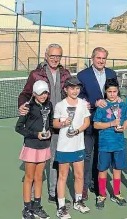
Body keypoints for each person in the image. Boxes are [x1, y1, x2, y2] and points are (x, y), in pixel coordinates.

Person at [18, 44, 71, 206]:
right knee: (38, 162)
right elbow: (25, 94)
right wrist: (22, 105)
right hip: (40, 124)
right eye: (52, 56)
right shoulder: (36, 75)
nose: (55, 59)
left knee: (56, 158)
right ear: (46, 56)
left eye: (58, 56)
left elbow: (73, 93)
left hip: (58, 122)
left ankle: (53, 192)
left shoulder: (66, 74)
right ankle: (33, 198)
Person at [77, 47, 119, 200]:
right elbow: (78, 96)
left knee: (101, 155)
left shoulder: (111, 74)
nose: (101, 61)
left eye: (103, 58)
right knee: (87, 155)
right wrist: (91, 102)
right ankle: (83, 187)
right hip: (89, 122)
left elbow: (115, 93)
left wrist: (118, 98)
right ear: (92, 58)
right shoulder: (82, 75)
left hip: (106, 124)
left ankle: (96, 182)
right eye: (98, 58)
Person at [53, 76, 91, 218]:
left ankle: (78, 201)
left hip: (78, 145)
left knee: (79, 175)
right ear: (65, 89)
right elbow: (55, 124)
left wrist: (78, 130)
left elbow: (87, 122)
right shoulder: (60, 105)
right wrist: (63, 124)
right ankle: (61, 206)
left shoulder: (83, 103)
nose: (75, 91)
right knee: (62, 176)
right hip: (64, 146)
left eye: (77, 88)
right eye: (72, 88)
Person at [15, 80, 52, 219]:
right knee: (29, 178)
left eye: (46, 93)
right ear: (35, 93)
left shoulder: (49, 105)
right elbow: (18, 128)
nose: (43, 96)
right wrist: (35, 135)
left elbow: (49, 123)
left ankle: (37, 206)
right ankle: (27, 209)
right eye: (41, 93)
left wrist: (49, 132)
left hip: (44, 147)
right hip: (31, 146)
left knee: (39, 177)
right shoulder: (27, 107)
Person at [93, 78, 127, 210]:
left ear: (118, 91)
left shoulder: (122, 105)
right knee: (102, 170)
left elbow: (125, 120)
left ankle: (116, 193)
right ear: (105, 92)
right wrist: (111, 124)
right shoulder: (102, 106)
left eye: (114, 91)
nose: (112, 94)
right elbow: (96, 124)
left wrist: (123, 127)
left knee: (117, 169)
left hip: (118, 144)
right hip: (104, 144)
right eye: (109, 92)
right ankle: (101, 195)